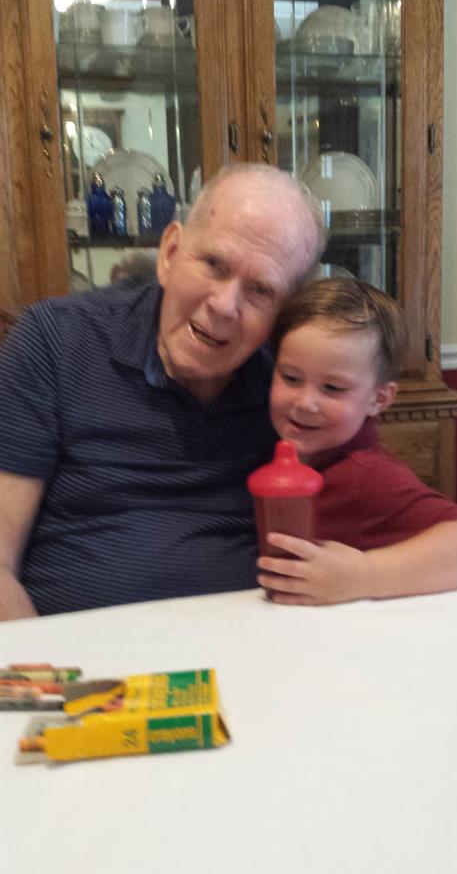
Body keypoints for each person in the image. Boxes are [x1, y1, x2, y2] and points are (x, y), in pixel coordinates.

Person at [0, 163, 326, 620]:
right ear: (170, 252)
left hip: (255, 654)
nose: (224, 305)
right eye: (213, 264)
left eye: (261, 290)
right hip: (83, 668)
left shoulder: (297, 386)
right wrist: (43, 682)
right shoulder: (54, 340)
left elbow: (424, 525)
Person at [257, 277, 457, 605]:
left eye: (333, 388)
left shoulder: (366, 476)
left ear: (379, 398)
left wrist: (364, 575)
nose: (305, 402)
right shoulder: (287, 451)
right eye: (291, 378)